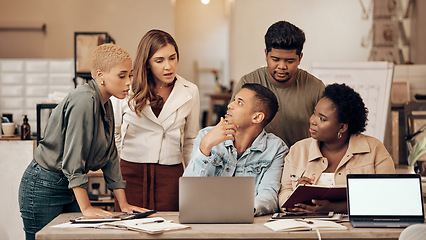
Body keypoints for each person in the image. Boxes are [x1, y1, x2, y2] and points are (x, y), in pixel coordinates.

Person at [19, 44, 147, 240]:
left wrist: (124, 204)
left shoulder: (106, 102)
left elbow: (111, 156)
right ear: (100, 75)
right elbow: (73, 158)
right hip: (44, 185)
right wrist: (86, 207)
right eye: (122, 76)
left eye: (130, 75)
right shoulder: (85, 100)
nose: (129, 82)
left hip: (68, 185)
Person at [112, 29, 200, 211]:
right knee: (128, 231)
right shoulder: (127, 87)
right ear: (147, 63)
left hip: (170, 174)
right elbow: (114, 132)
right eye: (159, 61)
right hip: (130, 174)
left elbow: (191, 140)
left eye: (172, 58)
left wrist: (191, 180)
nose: (168, 66)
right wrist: (122, 164)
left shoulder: (190, 91)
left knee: (169, 230)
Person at [278, 83, 396, 213]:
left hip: (358, 229)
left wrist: (335, 208)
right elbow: (284, 194)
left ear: (342, 127)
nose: (313, 120)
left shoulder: (374, 149)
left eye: (322, 119)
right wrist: (297, 196)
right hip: (307, 228)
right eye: (314, 113)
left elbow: (387, 197)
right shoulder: (298, 150)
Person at [184, 83, 288, 216]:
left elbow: (269, 197)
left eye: (239, 102)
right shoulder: (206, 136)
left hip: (248, 225)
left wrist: (237, 210)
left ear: (257, 117)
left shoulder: (276, 149)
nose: (230, 105)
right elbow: (188, 193)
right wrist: (205, 146)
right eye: (234, 100)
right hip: (203, 219)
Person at [232, 20, 325, 147]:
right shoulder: (248, 84)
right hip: (257, 162)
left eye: (290, 61)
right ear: (266, 54)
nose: (282, 66)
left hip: (301, 161)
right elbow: (232, 126)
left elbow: (326, 132)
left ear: (300, 58)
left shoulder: (316, 88)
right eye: (275, 59)